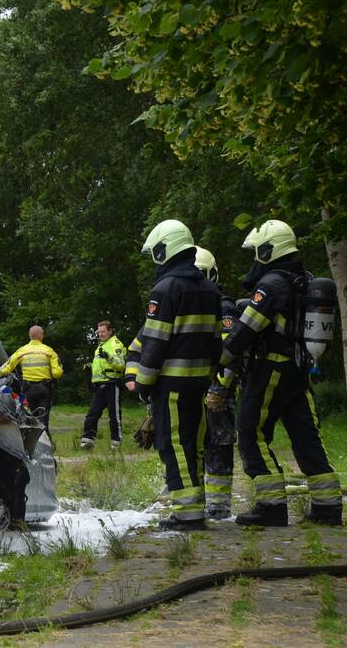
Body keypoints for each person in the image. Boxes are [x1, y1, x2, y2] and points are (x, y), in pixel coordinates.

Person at [209, 220, 342, 526]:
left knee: (250, 434)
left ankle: (271, 506)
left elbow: (246, 329)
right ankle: (328, 506)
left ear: (269, 250)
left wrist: (221, 360)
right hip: (299, 371)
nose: (255, 258)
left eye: (257, 252)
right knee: (306, 436)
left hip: (270, 370)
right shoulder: (304, 279)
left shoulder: (271, 284)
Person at [135, 220, 222, 531]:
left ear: (164, 250)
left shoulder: (166, 289)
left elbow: (155, 342)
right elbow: (216, 342)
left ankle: (187, 514)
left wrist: (143, 383)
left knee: (174, 445)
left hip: (171, 382)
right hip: (199, 382)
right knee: (194, 443)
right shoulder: (210, 289)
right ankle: (194, 507)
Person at [194, 246, 239, 520]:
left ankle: (219, 505)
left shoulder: (223, 307)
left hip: (216, 391)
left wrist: (219, 387)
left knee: (219, 444)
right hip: (192, 387)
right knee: (192, 444)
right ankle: (193, 499)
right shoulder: (187, 306)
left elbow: (231, 351)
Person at [0, 325, 63, 427]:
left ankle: (32, 440)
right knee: (43, 420)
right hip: (44, 390)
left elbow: (7, 366)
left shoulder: (22, 351)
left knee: (32, 419)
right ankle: (44, 440)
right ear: (41, 336)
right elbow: (56, 374)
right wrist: (60, 367)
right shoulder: (49, 351)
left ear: (30, 336)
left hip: (28, 390)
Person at [80, 321, 127, 449]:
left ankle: (116, 443)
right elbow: (100, 365)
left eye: (103, 331)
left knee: (114, 415)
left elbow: (121, 364)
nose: (100, 334)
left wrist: (108, 357)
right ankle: (88, 441)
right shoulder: (101, 345)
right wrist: (90, 366)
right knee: (92, 414)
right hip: (99, 386)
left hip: (112, 384)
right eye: (99, 332)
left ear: (110, 331)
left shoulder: (116, 344)